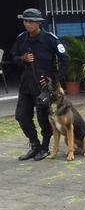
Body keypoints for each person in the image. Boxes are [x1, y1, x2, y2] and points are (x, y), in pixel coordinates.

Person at [11, 8, 69, 161]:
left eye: (30, 21)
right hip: (26, 85)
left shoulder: (50, 39)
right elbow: (13, 57)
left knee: (43, 118)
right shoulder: (22, 38)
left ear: (38, 23)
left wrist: (54, 78)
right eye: (25, 21)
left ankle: (44, 147)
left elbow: (65, 60)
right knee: (22, 116)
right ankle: (34, 144)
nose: (27, 24)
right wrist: (22, 58)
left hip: (43, 87)